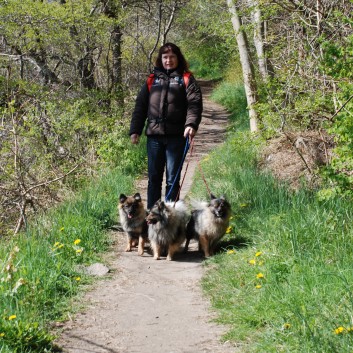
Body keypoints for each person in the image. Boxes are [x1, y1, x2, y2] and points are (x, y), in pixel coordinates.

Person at [130, 42, 203, 210]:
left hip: (177, 137)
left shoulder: (186, 78)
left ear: (178, 58)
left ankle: (170, 216)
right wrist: (135, 130)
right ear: (160, 59)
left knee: (172, 179)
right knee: (154, 178)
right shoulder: (151, 80)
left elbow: (195, 104)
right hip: (154, 137)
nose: (168, 60)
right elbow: (140, 106)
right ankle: (153, 214)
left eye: (172, 57)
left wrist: (191, 124)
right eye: (165, 57)